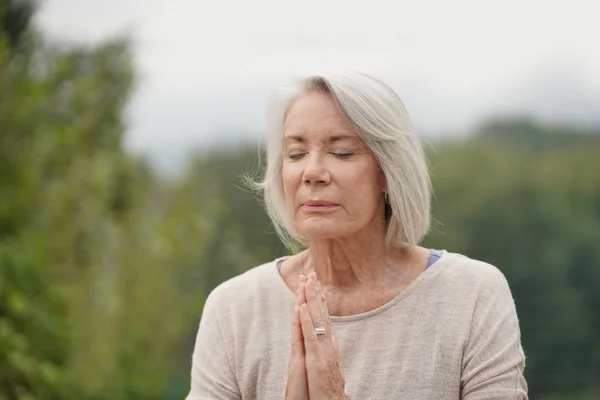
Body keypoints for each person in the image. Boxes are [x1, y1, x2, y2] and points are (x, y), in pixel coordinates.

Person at [185, 72, 528, 399]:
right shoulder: (233, 309)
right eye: (296, 153)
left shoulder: (472, 296)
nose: (313, 172)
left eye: (342, 152)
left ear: (387, 171)